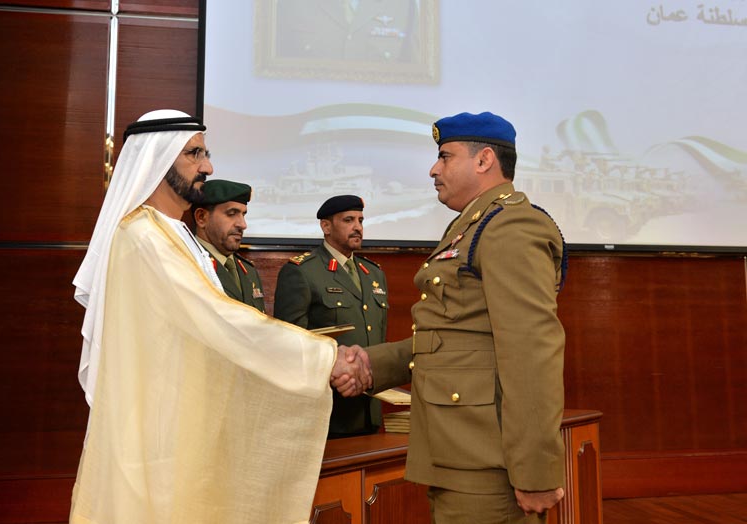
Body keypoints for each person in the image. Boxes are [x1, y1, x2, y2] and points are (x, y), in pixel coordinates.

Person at [69, 109, 369, 524]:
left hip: (185, 423)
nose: (207, 166)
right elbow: (218, 319)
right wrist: (323, 357)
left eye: (205, 153)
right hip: (161, 431)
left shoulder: (169, 233)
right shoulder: (142, 237)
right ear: (158, 159)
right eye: (194, 154)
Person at [338, 112, 568, 523]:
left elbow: (531, 352)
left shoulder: (510, 226)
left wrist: (536, 471)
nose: (434, 168)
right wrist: (373, 365)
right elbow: (452, 336)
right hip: (459, 452)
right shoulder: (472, 225)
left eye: (445, 157)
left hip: (488, 462)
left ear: (483, 161)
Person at [274, 195, 389, 438]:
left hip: (369, 410)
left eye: (360, 220)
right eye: (348, 220)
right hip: (330, 412)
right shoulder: (303, 272)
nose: (357, 226)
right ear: (326, 227)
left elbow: (377, 338)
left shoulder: (374, 274)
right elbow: (290, 345)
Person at [191, 179, 266, 312]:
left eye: (243, 215)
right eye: (231, 214)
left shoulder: (248, 271)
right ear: (201, 217)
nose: (243, 224)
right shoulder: (189, 265)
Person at [275, 0, 420, 63]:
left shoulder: (403, 5)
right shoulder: (288, 4)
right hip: (310, 120)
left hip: (375, 119)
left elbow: (414, 78)